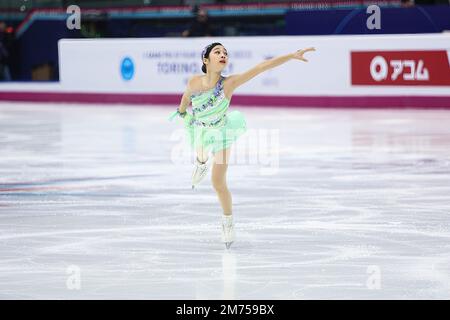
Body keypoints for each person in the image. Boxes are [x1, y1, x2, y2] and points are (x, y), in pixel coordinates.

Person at [169, 42, 316, 249]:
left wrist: (291, 55)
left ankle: (228, 221)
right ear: (206, 60)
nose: (223, 55)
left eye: (225, 53)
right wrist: (182, 111)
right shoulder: (194, 82)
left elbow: (261, 67)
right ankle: (201, 163)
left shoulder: (229, 83)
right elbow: (186, 97)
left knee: (218, 182)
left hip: (222, 133)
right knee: (201, 153)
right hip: (201, 128)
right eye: (217, 52)